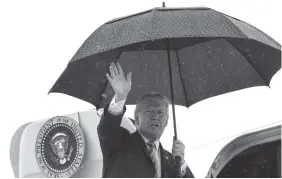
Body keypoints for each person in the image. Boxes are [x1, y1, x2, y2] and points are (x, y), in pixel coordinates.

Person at [97, 62, 194, 178]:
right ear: (137, 118)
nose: (155, 116)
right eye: (149, 111)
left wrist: (181, 163)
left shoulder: (171, 161)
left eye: (160, 112)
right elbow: (107, 128)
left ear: (167, 121)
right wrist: (120, 96)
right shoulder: (119, 144)